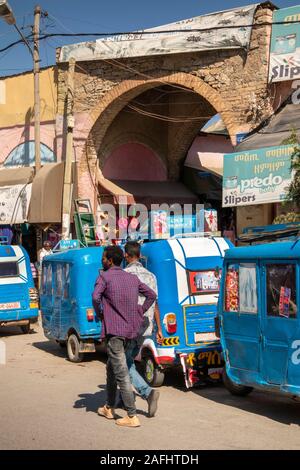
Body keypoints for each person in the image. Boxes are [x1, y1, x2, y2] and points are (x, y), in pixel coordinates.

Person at [92, 245, 156, 428]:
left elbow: (95, 297)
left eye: (104, 258)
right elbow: (152, 295)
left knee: (121, 372)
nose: (102, 260)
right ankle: (109, 407)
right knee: (111, 369)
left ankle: (132, 414)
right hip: (132, 331)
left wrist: (101, 314)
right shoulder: (131, 278)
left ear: (110, 261)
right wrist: (140, 311)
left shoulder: (104, 277)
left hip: (115, 333)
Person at [123, 241, 163, 417]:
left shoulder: (124, 275)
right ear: (139, 255)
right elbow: (155, 303)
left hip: (128, 326)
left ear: (126, 255)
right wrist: (159, 328)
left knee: (123, 363)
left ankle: (147, 392)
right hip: (145, 328)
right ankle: (123, 397)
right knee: (127, 361)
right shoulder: (151, 276)